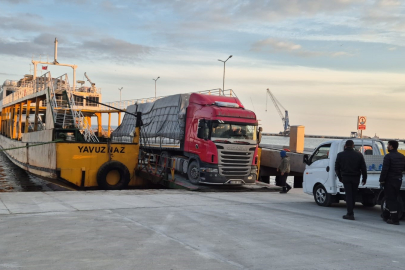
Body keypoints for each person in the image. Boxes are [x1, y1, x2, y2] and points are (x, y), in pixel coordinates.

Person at [335, 140, 367, 220]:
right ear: (353, 145)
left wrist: (340, 177)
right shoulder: (359, 155)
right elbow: (363, 167)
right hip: (356, 177)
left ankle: (350, 213)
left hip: (346, 177)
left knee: (348, 195)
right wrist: (364, 178)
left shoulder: (340, 155)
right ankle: (351, 211)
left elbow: (337, 168)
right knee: (353, 195)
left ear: (345, 145)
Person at [379, 140, 405, 225]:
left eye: (388, 145)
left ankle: (394, 219)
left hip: (390, 180)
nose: (387, 147)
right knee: (390, 197)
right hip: (398, 180)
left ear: (391, 146)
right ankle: (386, 215)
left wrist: (381, 180)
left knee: (391, 199)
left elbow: (385, 170)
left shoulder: (388, 157)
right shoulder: (402, 156)